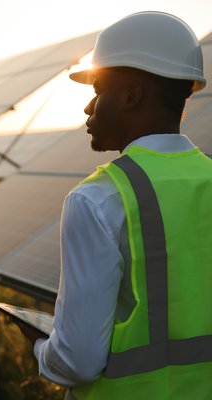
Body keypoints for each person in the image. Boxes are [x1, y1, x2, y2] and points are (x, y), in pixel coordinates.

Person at [15, 11, 212, 399]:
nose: (89, 109)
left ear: (131, 95)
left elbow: (77, 361)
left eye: (98, 90)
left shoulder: (97, 199)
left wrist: (40, 347)